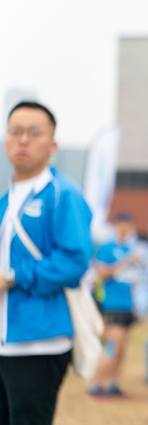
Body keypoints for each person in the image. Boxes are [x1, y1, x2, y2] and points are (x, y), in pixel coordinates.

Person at [0, 101, 93, 424]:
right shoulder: (5, 200)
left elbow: (75, 261)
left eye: (33, 132)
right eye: (15, 131)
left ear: (52, 145)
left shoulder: (62, 194)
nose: (23, 139)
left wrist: (13, 277)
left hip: (39, 340)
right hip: (4, 338)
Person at [88, 211, 142, 398]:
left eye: (129, 223)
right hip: (112, 305)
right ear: (116, 225)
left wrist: (135, 306)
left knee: (122, 350)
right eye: (122, 223)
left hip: (127, 305)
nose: (126, 227)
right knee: (113, 347)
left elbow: (131, 281)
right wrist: (126, 261)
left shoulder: (130, 249)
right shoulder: (106, 248)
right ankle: (96, 384)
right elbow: (102, 274)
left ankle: (113, 384)